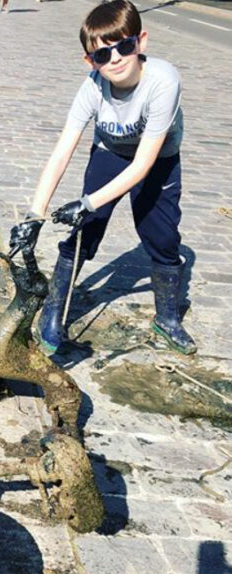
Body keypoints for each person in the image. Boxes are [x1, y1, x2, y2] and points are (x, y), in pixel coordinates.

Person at [10, 0, 196, 356]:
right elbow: (63, 149)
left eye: (124, 46)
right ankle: (54, 312)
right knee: (86, 230)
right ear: (90, 61)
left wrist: (87, 201)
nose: (115, 59)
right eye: (102, 55)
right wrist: (35, 215)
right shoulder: (93, 87)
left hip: (157, 160)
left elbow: (143, 165)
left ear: (141, 42)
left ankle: (168, 318)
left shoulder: (163, 81)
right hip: (110, 153)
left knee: (163, 238)